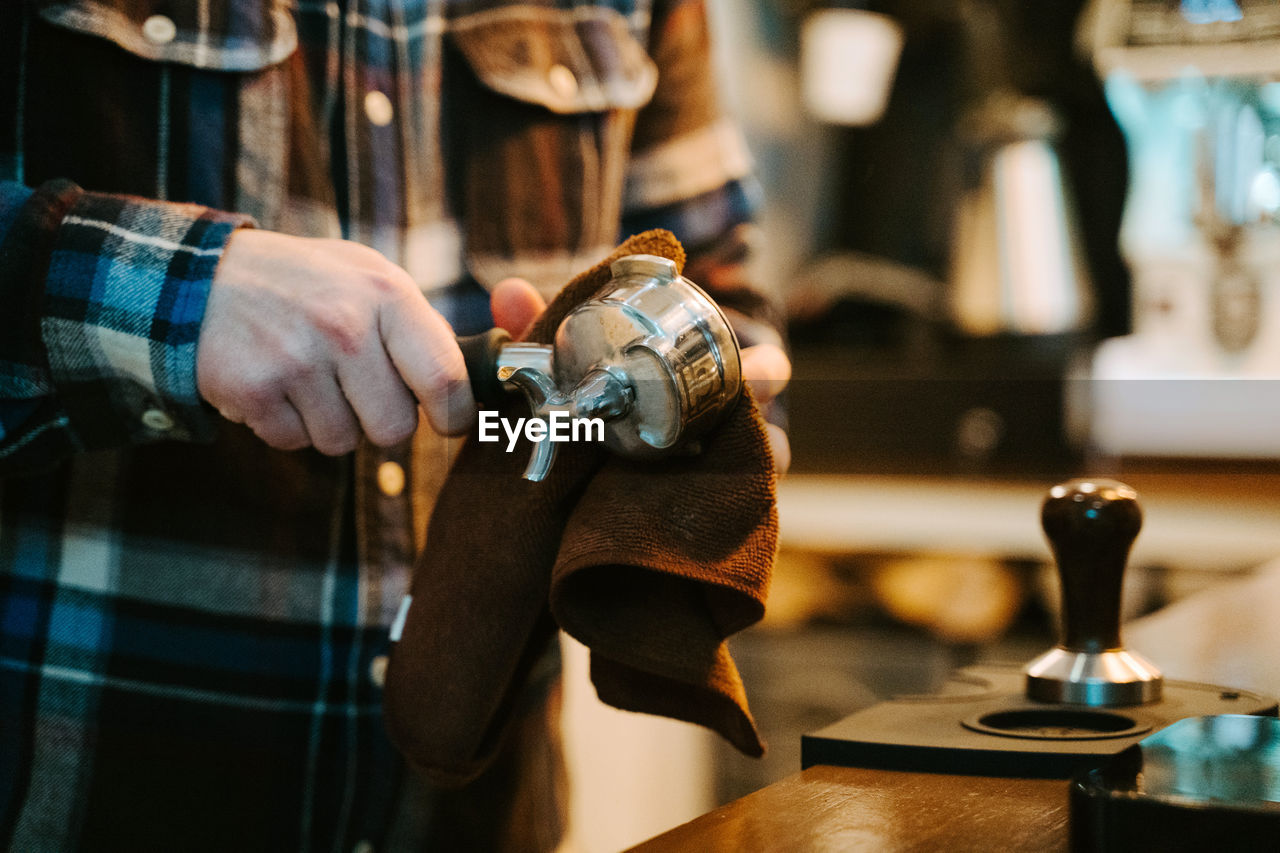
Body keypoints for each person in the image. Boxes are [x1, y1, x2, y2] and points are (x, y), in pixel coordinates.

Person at [0, 1, 790, 849]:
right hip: (98, 794)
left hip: (482, 812)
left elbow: (719, 288)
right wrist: (184, 294)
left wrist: (708, 433)